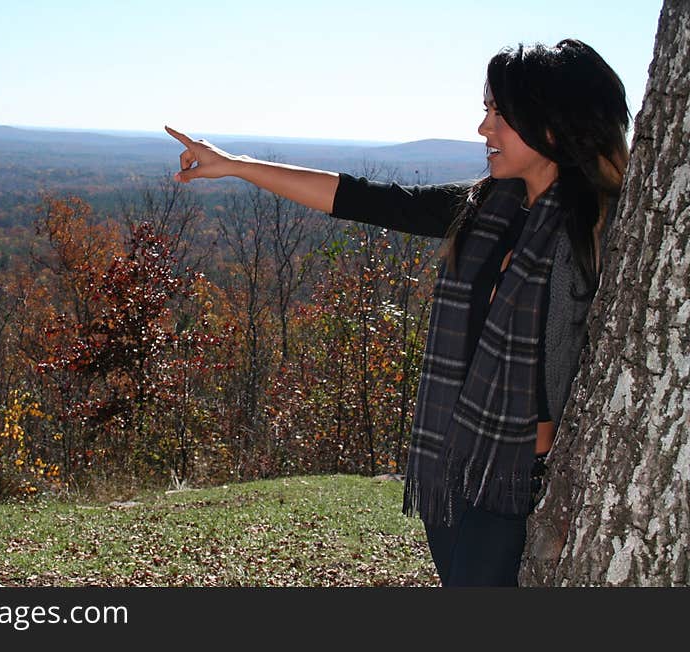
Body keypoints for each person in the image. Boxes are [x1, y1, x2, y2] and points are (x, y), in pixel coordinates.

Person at [165, 38, 629, 586]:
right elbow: (365, 198)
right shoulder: (488, 207)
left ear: (551, 126)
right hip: (451, 465)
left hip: (512, 478)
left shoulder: (598, 229)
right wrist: (236, 166)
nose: (484, 129)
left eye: (499, 114)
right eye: (487, 111)